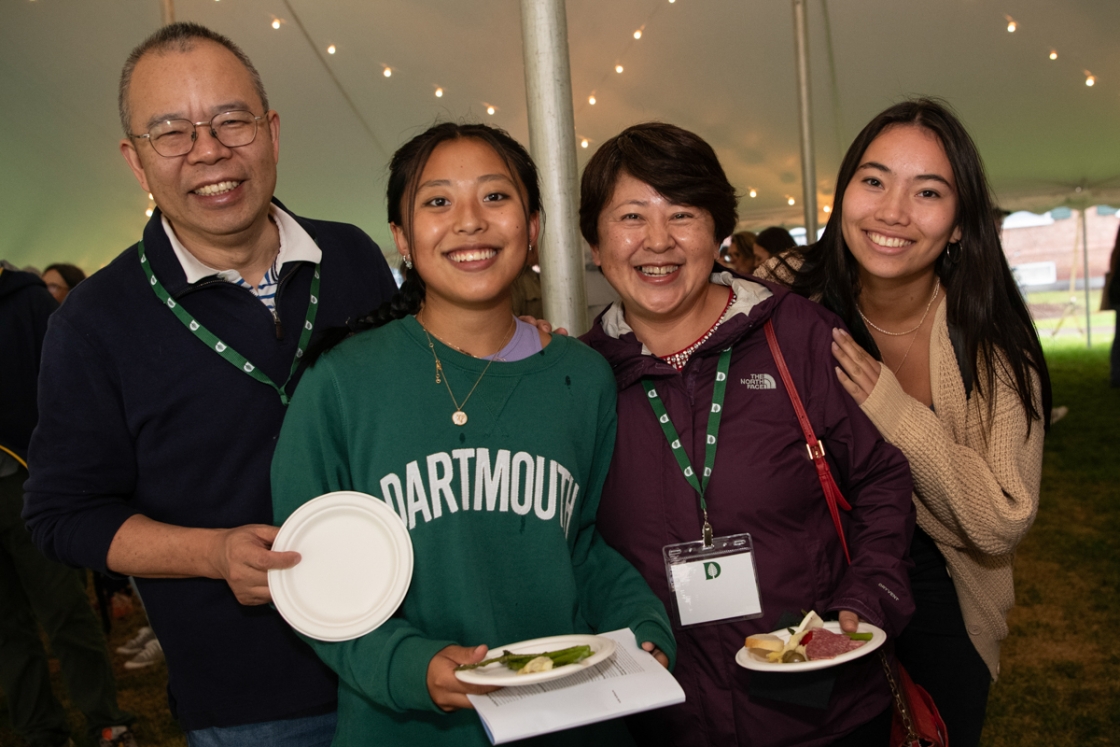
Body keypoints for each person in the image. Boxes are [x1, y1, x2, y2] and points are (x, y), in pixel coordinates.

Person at [23, 23, 397, 746]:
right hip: (253, 700)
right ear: (136, 161)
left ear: (272, 130)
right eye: (172, 132)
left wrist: (514, 340)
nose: (209, 149)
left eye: (232, 119)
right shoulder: (95, 320)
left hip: (405, 656)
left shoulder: (351, 254)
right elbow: (62, 513)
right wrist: (212, 552)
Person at [271, 122, 675, 747]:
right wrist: (406, 664)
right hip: (406, 728)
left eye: (495, 197)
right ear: (401, 238)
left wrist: (637, 621)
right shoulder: (342, 383)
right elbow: (309, 578)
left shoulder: (582, 376)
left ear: (534, 226)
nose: (469, 222)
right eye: (438, 201)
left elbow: (581, 543)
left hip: (568, 715)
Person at [579, 122, 915, 747]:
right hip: (661, 715)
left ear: (719, 231)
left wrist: (868, 596)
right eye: (630, 216)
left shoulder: (797, 337)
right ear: (595, 242)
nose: (658, 241)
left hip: (816, 706)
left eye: (682, 214)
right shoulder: (579, 378)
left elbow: (880, 477)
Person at [762, 98, 1051, 747]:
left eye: (927, 192)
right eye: (874, 180)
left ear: (958, 225)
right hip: (813, 587)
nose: (893, 210)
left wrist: (894, 411)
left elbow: (1000, 519)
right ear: (844, 194)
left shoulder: (994, 347)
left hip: (942, 593)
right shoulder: (788, 305)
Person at [1, 264, 137, 747]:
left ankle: (105, 717)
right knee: (6, 627)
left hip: (24, 481)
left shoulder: (28, 302)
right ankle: (39, 729)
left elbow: (65, 393)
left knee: (63, 609)